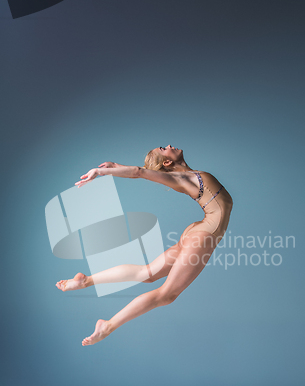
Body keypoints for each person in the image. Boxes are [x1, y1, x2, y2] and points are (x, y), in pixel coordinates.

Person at [56, 145, 233, 346]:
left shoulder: (186, 176)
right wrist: (101, 171)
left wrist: (115, 166)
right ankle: (108, 326)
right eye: (164, 149)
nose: (169, 146)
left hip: (197, 230)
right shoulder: (181, 179)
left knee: (147, 273)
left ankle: (86, 281)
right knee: (166, 295)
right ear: (167, 162)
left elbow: (141, 172)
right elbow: (139, 172)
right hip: (203, 234)